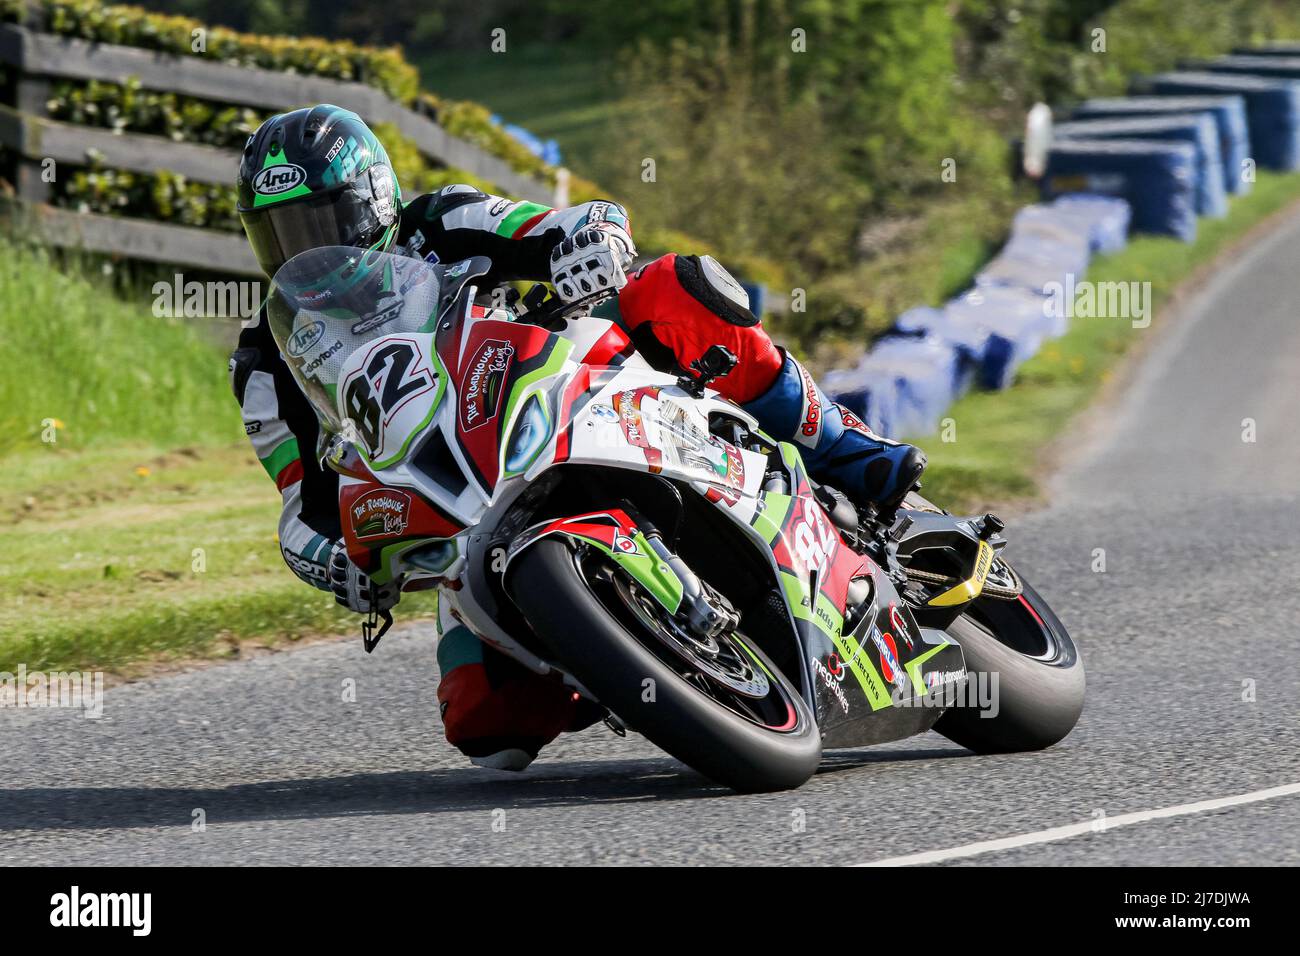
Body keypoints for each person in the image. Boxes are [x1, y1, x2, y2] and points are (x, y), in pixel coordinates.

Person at [231, 105, 926, 770]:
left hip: (562, 385)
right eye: (282, 235)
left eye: (322, 222)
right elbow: (303, 507)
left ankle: (842, 446)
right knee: (484, 726)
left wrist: (591, 243)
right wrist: (333, 558)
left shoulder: (443, 220)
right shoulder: (266, 361)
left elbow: (570, 222)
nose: (309, 251)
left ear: (374, 201)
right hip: (455, 499)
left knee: (670, 288)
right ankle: (620, 654)